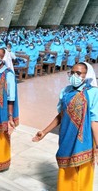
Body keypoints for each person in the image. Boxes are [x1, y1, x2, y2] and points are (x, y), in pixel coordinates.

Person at [32, 62, 98, 190]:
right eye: (72, 73)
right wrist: (44, 132)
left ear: (87, 75)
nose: (74, 76)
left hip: (84, 141)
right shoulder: (66, 91)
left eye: (78, 73)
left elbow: (94, 121)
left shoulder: (94, 93)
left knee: (82, 173)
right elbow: (61, 116)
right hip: (67, 137)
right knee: (66, 171)